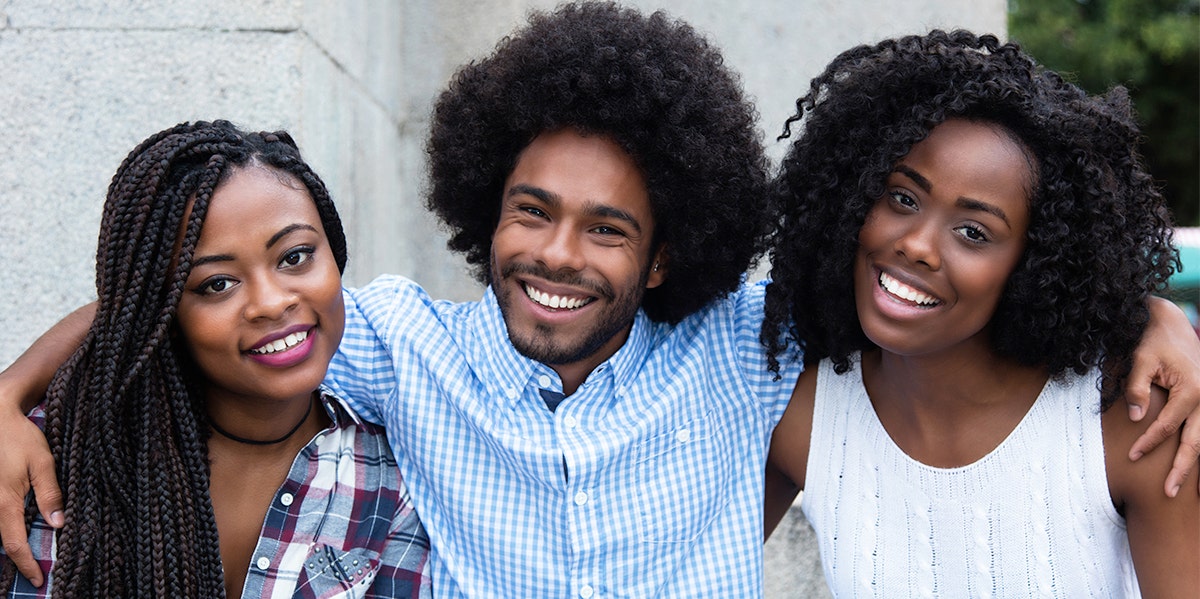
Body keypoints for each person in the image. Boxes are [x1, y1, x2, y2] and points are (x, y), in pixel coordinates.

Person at [1, 4, 1199, 596]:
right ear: (486, 207)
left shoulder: (752, 341)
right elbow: (213, 297)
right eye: (531, 210)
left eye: (606, 227)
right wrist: (11, 393)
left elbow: (940, 277)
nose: (556, 253)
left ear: (666, 254)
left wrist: (1150, 317)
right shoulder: (409, 347)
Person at [761, 31, 1198, 596]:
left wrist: (1156, 315)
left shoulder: (1129, 420)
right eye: (902, 198)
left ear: (1037, 263)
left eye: (974, 232)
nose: (917, 244)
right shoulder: (799, 417)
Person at [0, 121, 430, 598]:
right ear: (164, 313)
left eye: (295, 256)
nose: (270, 302)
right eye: (217, 284)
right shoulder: (53, 459)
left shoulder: (388, 485)